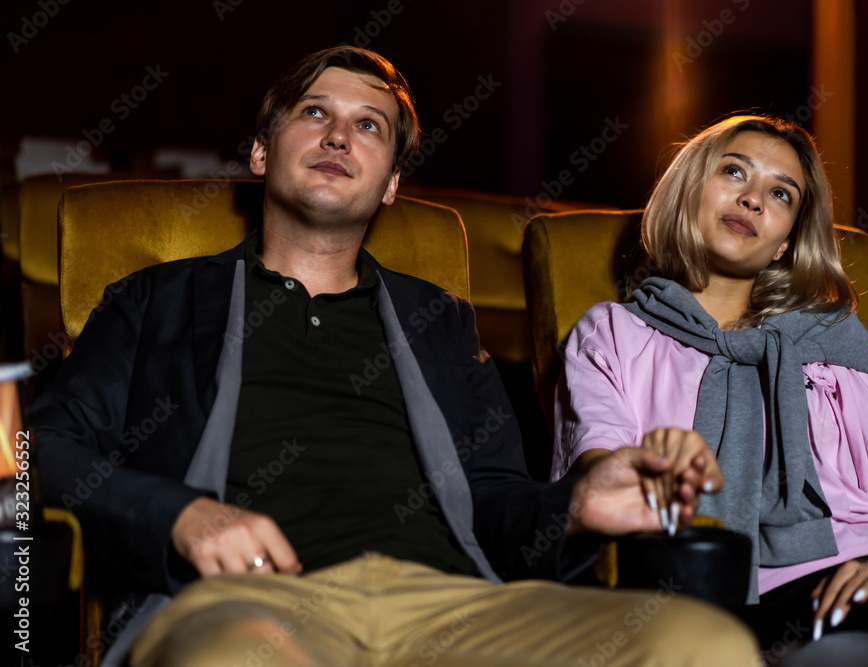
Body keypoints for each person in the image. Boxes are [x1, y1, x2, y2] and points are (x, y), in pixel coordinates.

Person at [31, 47, 760, 666]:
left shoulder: (438, 324)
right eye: (315, 113)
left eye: (368, 125)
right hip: (248, 603)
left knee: (700, 639)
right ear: (261, 151)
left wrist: (575, 505)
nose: (339, 136)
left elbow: (495, 502)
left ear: (390, 184)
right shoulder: (156, 300)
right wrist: (182, 516)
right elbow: (48, 451)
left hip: (452, 604)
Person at [552, 115, 868, 664]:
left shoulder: (832, 340)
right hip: (701, 590)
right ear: (690, 189)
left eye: (780, 193)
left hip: (867, 576)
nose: (753, 199)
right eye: (734, 171)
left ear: (786, 243)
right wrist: (652, 468)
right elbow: (599, 491)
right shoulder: (613, 333)